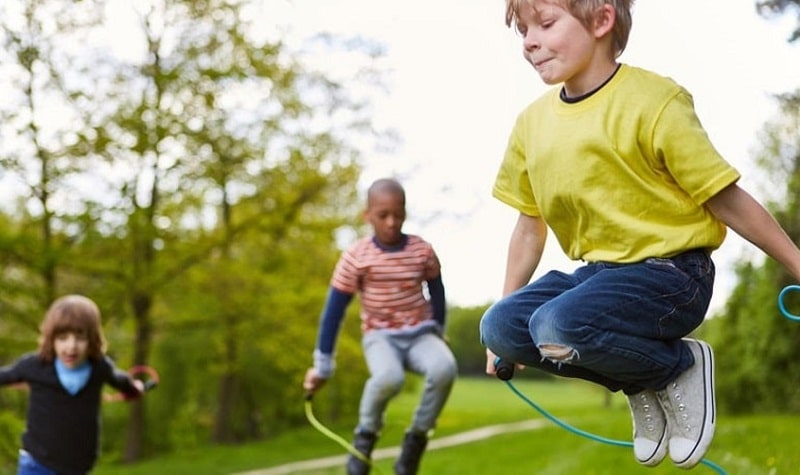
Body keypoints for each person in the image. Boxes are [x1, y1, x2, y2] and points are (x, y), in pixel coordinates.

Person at [479, 0, 800, 470]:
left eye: (545, 24)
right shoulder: (531, 125)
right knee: (500, 325)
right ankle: (640, 380)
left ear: (601, 20)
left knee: (557, 326)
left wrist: (795, 261)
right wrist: (501, 334)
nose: (529, 41)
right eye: (523, 30)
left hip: (673, 274)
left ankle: (678, 369)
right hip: (598, 278)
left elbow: (723, 196)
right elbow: (530, 226)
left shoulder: (655, 101)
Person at [303, 178, 457, 475]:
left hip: (420, 333)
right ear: (368, 215)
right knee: (389, 378)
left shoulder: (421, 250)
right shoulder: (356, 257)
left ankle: (415, 444)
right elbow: (333, 313)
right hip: (380, 336)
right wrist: (322, 366)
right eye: (383, 215)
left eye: (398, 214)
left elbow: (437, 289)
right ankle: (364, 441)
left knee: (444, 369)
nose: (391, 222)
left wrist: (438, 328)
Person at [0, 295, 145, 475]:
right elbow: (4, 376)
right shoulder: (34, 366)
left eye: (80, 338)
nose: (71, 346)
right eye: (62, 338)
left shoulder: (99, 368)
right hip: (37, 463)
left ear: (92, 339)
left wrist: (134, 388)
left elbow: (120, 380)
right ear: (51, 339)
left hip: (78, 467)